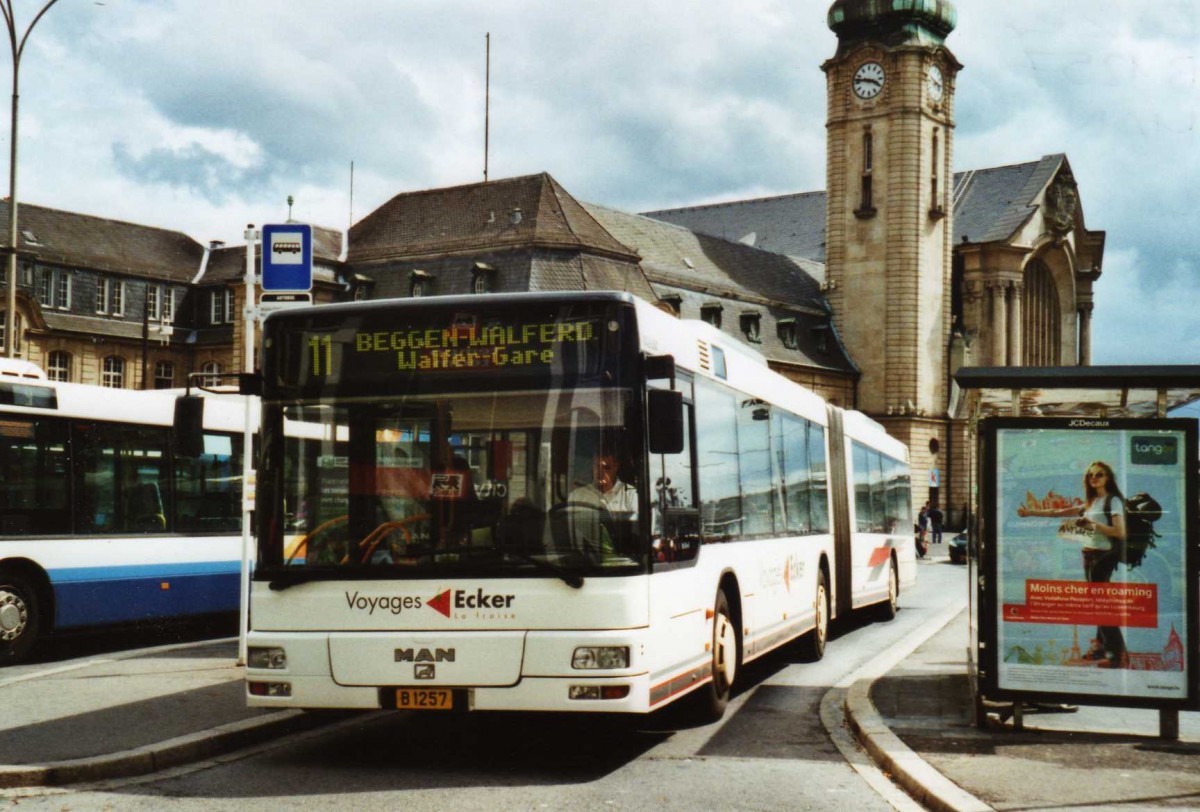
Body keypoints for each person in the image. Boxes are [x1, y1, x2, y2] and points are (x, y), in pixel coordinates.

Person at [1016, 460, 1128, 669]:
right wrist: (1030, 513)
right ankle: (1102, 649)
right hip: (1089, 556)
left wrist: (1092, 523)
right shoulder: (1092, 502)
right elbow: (1059, 513)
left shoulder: (1113, 501)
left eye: (1099, 474)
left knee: (1100, 606)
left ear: (1108, 477)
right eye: (1091, 475)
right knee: (1099, 603)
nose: (1094, 478)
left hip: (1102, 557)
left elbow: (1119, 532)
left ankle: (1118, 654)